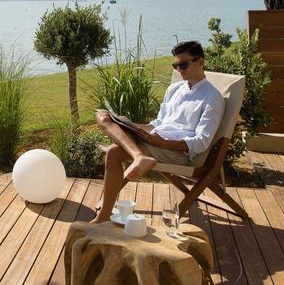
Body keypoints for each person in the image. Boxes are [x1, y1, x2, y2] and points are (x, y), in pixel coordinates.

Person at [91, 40, 225, 223]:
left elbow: (201, 142)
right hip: (154, 141)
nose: (179, 69)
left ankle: (103, 217)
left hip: (178, 151)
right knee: (104, 116)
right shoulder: (174, 89)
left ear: (201, 61)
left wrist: (161, 142)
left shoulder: (212, 98)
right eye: (176, 65)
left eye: (183, 64)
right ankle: (139, 156)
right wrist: (137, 128)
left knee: (114, 152)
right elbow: (159, 122)